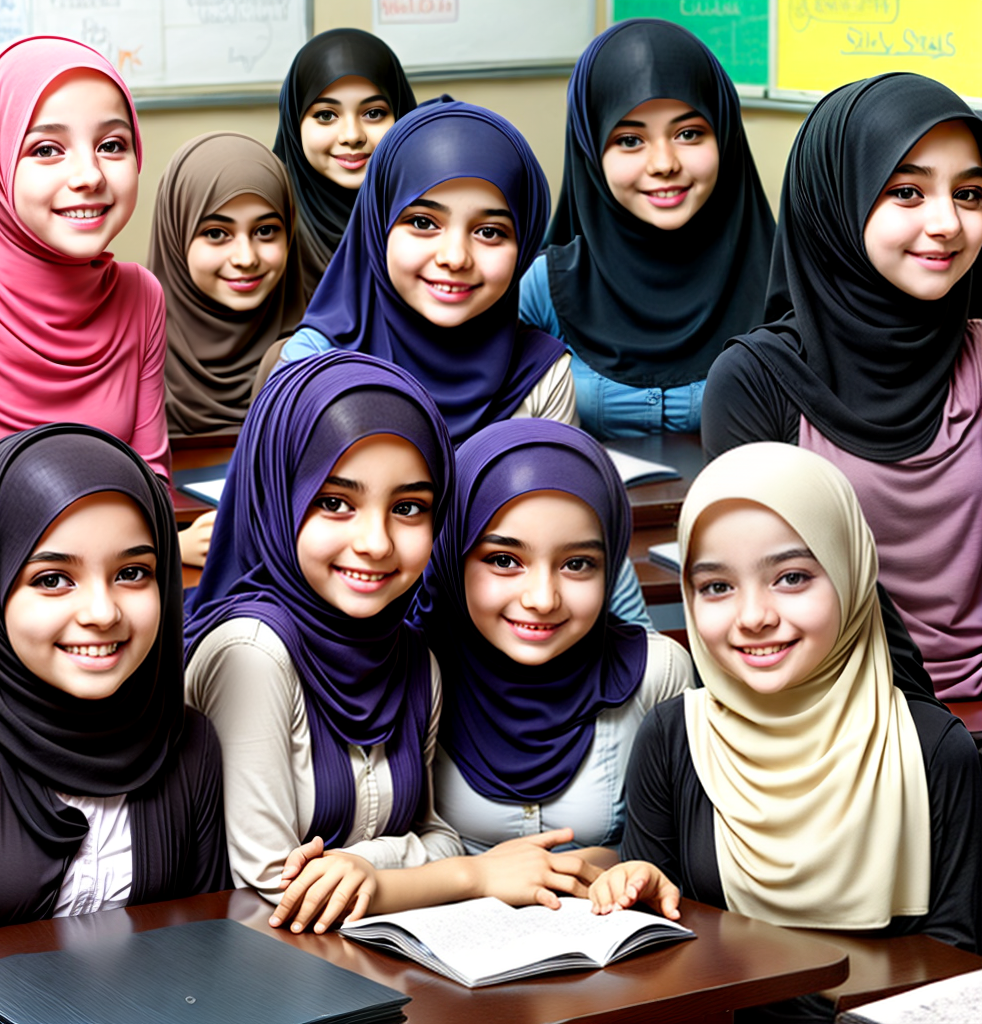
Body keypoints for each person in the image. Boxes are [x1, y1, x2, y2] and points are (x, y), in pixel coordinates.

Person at [589, 443, 981, 1019]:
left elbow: (955, 960)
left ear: (851, 572)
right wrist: (636, 891)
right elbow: (654, 963)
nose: (753, 616)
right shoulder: (674, 738)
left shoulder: (934, 750)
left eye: (791, 577)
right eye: (716, 587)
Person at [702, 73, 982, 712]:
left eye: (970, 193)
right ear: (836, 201)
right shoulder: (755, 383)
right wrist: (932, 742)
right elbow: (774, 593)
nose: (948, 223)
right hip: (844, 716)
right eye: (906, 191)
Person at [184, 352, 462, 917]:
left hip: (373, 955)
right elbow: (271, 886)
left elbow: (443, 838)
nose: (376, 543)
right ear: (276, 498)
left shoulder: (411, 657)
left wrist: (364, 869)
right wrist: (456, 875)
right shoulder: (252, 654)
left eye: (408, 507)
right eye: (334, 503)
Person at [0, 424, 231, 932]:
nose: (102, 613)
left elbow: (207, 943)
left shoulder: (190, 744)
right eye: (53, 579)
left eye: (131, 573)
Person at [415, 419, 693, 854]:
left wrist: (612, 865)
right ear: (453, 553)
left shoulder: (658, 673)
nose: (543, 599)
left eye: (578, 564)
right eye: (505, 560)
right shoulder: (413, 672)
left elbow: (682, 856)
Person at [519, 19, 774, 439]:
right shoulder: (544, 287)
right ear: (590, 149)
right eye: (629, 140)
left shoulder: (787, 283)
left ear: (725, 136)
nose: (663, 163)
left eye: (689, 133)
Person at [278, 98, 574, 445]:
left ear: (523, 245)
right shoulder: (312, 364)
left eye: (489, 231)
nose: (454, 258)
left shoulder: (543, 377)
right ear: (377, 228)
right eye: (422, 222)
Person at [0, 36, 168, 481]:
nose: (89, 176)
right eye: (46, 150)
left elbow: (150, 483)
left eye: (112, 145)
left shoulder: (141, 296)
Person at [148, 131, 304, 440]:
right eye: (217, 233)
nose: (245, 258)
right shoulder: (130, 353)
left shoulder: (320, 349)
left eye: (266, 230)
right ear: (176, 235)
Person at [273, 27, 417, 303]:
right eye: (326, 115)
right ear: (295, 123)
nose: (352, 136)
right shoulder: (265, 228)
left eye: (373, 113)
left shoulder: (436, 215)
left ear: (401, 115)